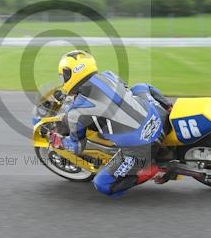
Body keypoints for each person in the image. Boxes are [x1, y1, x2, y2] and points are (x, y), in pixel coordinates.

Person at [49, 50, 173, 197]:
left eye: (63, 76)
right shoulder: (109, 75)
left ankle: (149, 169)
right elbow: (126, 90)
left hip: (142, 147)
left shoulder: (76, 112)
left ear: (70, 74)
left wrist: (59, 142)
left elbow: (77, 147)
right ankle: (170, 107)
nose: (63, 80)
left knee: (102, 184)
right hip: (158, 117)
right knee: (140, 87)